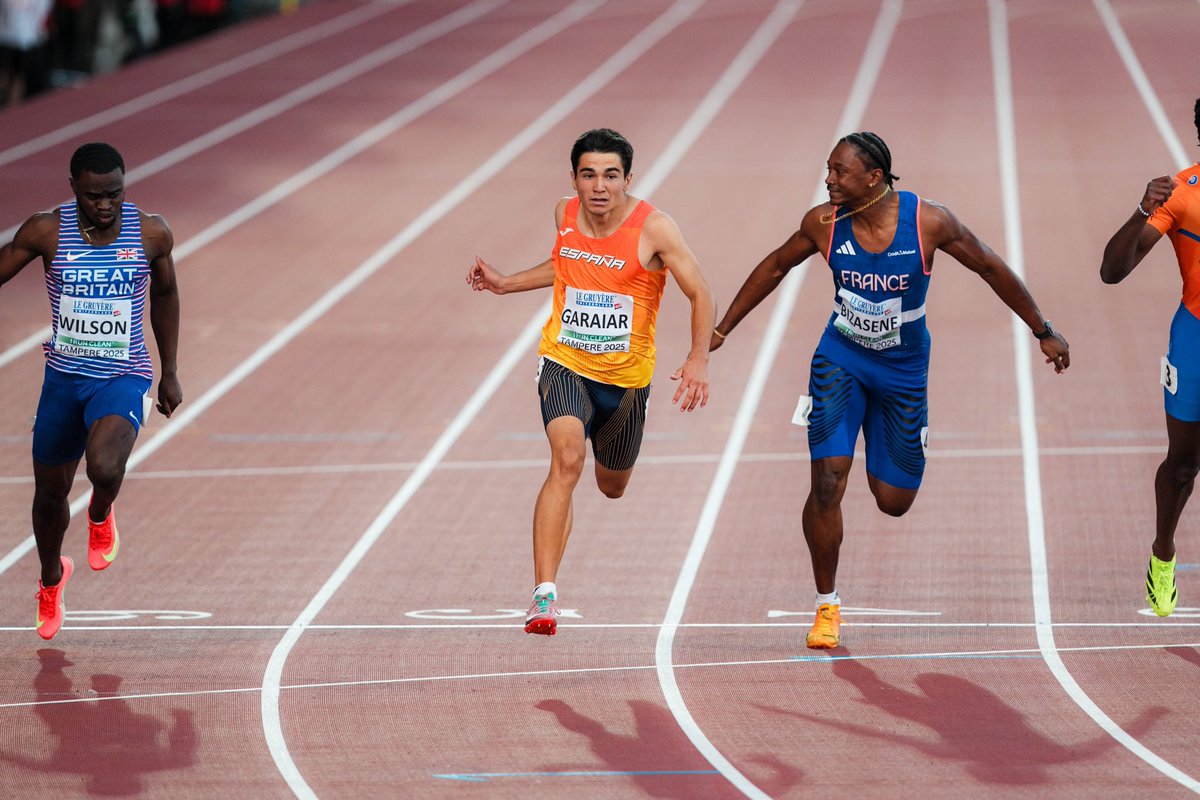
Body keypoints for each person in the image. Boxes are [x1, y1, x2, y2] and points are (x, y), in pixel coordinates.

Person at [710, 131, 1070, 649]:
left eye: (839, 171)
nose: (829, 180)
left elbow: (990, 266)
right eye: (828, 170)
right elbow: (776, 265)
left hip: (903, 370)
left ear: (874, 178)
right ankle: (826, 607)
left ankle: (897, 448)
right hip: (841, 359)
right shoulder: (824, 223)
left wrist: (1043, 329)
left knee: (893, 500)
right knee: (829, 481)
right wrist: (723, 329)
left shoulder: (929, 221)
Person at [467, 128, 715, 636]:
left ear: (627, 178)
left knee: (611, 484)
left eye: (609, 175)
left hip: (625, 383)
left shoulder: (656, 229)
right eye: (588, 175)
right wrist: (507, 282)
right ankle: (543, 597)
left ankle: (606, 472)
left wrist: (697, 359)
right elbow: (564, 266)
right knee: (566, 461)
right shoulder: (564, 215)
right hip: (564, 361)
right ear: (574, 179)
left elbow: (701, 293)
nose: (598, 186)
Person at [0, 142, 182, 640]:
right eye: (96, 196)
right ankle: (51, 579)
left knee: (104, 466)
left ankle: (101, 512)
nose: (106, 205)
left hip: (124, 375)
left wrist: (169, 371)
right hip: (64, 381)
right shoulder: (45, 230)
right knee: (48, 499)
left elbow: (165, 293)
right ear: (74, 188)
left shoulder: (149, 232)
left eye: (115, 194)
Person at [1100, 98, 1200, 618]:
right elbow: (1113, 271)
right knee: (1183, 465)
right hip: (1195, 342)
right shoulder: (1182, 196)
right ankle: (1163, 553)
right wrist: (1142, 210)